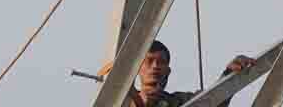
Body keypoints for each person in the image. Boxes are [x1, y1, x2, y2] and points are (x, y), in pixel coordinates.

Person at [98, 40, 254, 107]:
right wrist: (138, 103)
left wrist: (230, 75)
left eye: (161, 62)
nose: (155, 67)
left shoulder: (178, 101)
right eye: (149, 61)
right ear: (137, 68)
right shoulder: (120, 101)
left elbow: (213, 101)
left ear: (168, 70)